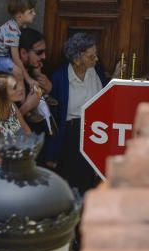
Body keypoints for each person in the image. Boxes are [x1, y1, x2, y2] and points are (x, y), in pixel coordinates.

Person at [46, 32, 117, 195]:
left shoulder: (96, 70)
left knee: (94, 180)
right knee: (74, 182)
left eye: (96, 55)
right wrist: (52, 152)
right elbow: (53, 117)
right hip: (72, 136)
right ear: (77, 60)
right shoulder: (60, 77)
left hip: (96, 132)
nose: (96, 59)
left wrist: (115, 78)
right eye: (91, 57)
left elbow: (104, 97)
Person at [17, 28, 55, 160]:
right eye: (39, 52)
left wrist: (50, 90)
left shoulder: (41, 71)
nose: (44, 56)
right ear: (23, 53)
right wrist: (27, 106)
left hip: (40, 155)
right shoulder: (5, 80)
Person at [0, 0, 39, 86]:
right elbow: (16, 58)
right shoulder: (12, 31)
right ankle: (23, 97)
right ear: (20, 16)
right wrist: (28, 79)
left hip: (2, 55)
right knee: (19, 72)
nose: (34, 14)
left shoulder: (19, 26)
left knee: (19, 68)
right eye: (30, 12)